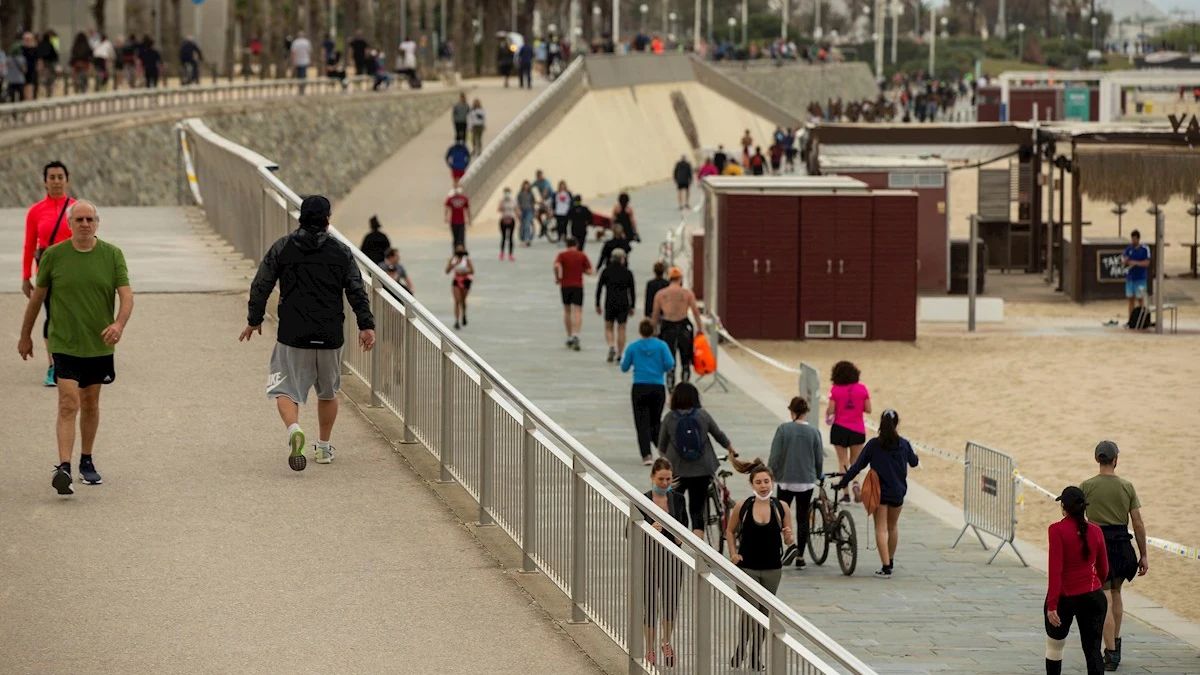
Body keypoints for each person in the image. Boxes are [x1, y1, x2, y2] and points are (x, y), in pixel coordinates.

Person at [241, 195, 375, 471]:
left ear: (300, 217)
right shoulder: (341, 252)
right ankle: (324, 448)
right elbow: (356, 291)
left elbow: (261, 284)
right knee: (328, 392)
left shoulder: (283, 248)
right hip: (330, 335)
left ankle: (294, 430)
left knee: (284, 390)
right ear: (327, 219)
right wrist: (366, 325)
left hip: (293, 333)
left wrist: (254, 319)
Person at [18, 200, 133, 496]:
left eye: (89, 219)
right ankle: (64, 467)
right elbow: (37, 299)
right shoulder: (54, 256)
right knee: (69, 402)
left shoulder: (112, 255)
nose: (84, 224)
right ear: (69, 224)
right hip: (64, 342)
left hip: (98, 344)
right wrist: (25, 335)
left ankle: (86, 459)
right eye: (79, 219)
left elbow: (127, 296)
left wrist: (118, 324)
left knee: (91, 402)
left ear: (97, 223)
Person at [1081, 441, 1149, 671]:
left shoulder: (1087, 486)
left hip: (1099, 544)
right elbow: (1138, 524)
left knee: (1106, 597)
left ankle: (1110, 653)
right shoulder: (1127, 486)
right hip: (1122, 544)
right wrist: (1144, 555)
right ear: (1115, 460)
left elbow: (1079, 521)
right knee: (1117, 593)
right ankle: (1116, 644)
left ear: (1097, 459)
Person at [724, 465, 794, 670]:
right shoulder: (743, 506)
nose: (763, 486)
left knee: (764, 613)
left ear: (772, 482)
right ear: (751, 484)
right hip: (747, 569)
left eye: (766, 481)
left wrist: (789, 537)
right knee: (749, 610)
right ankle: (742, 648)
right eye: (758, 482)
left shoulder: (781, 507)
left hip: (773, 569)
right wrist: (733, 554)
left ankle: (755, 654)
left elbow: (789, 538)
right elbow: (729, 530)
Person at [835, 409, 919, 578]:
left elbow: (857, 466)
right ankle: (891, 560)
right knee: (893, 527)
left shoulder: (874, 444)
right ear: (896, 424)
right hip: (898, 492)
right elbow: (914, 462)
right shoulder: (903, 444)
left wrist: (843, 483)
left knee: (880, 528)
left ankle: (885, 566)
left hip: (879, 492)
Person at [658, 382, 737, 538]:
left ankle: (675, 547)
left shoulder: (669, 418)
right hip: (702, 470)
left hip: (677, 470)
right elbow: (718, 434)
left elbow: (661, 445)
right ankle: (699, 554)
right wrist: (731, 450)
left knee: (676, 509)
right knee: (697, 511)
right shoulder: (702, 415)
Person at [1045, 486, 1109, 675]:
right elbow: (1104, 569)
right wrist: (1096, 586)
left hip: (1065, 596)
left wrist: (1052, 604)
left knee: (1055, 647)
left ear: (1063, 507)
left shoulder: (1056, 530)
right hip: (1092, 595)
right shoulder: (1096, 531)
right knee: (1093, 651)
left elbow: (1055, 569)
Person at [22, 161, 75, 386]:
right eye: (51, 177)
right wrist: (26, 276)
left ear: (67, 180)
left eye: (60, 177)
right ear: (45, 181)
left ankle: (84, 361)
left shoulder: (76, 208)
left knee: (78, 314)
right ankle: (54, 366)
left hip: (75, 270)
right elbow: (28, 244)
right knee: (53, 316)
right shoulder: (36, 211)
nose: (56, 181)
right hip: (48, 271)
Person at [768, 396, 824, 570]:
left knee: (779, 517)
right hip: (806, 481)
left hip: (785, 479)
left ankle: (775, 551)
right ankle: (800, 555)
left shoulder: (783, 429)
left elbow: (775, 455)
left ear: (791, 411)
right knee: (802, 518)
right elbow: (819, 458)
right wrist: (818, 474)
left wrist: (771, 473)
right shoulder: (814, 432)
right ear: (806, 412)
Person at [641, 458, 686, 667]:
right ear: (652, 477)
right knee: (649, 606)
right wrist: (649, 529)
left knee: (670, 604)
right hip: (649, 560)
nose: (665, 482)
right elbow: (628, 532)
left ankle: (666, 641)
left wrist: (680, 536)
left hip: (672, 559)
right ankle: (649, 647)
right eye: (661, 479)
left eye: (668, 479)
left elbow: (685, 526)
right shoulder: (642, 500)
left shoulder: (678, 499)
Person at [622, 319, 674, 464]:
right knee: (656, 421)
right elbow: (670, 364)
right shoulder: (662, 346)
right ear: (654, 331)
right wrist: (658, 369)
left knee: (641, 422)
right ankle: (662, 450)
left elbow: (624, 367)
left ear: (640, 331)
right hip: (657, 386)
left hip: (639, 386)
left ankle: (646, 455)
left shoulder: (633, 347)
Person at [650, 266, 703, 391]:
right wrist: (700, 329)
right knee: (686, 357)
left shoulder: (661, 294)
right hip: (683, 325)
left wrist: (653, 331)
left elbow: (655, 314)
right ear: (680, 278)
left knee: (669, 357)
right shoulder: (687, 293)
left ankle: (670, 383)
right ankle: (685, 382)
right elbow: (695, 312)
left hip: (668, 325)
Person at [826, 360, 871, 502]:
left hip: (839, 428)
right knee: (856, 461)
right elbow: (868, 409)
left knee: (843, 461)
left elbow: (831, 410)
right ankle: (856, 482)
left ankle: (845, 493)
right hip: (857, 428)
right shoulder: (862, 389)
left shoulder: (835, 389)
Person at [596, 248, 636, 363]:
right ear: (623, 259)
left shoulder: (606, 271)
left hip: (610, 301)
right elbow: (632, 291)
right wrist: (632, 306)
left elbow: (599, 288)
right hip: (623, 302)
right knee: (622, 328)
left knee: (609, 327)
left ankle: (611, 346)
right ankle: (619, 354)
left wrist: (597, 303)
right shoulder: (628, 273)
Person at [554, 236, 592, 350]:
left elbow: (556, 265)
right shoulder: (582, 255)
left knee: (567, 311)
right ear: (577, 245)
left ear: (567, 245)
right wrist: (582, 270)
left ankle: (569, 335)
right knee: (578, 311)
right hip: (578, 286)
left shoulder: (562, 255)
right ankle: (576, 334)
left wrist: (558, 277)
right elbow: (590, 271)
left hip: (565, 285)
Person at [1122, 230, 1150, 320]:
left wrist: (1136, 263)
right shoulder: (1129, 249)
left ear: (1138, 239)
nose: (1133, 241)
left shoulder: (1144, 249)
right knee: (1131, 299)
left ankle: (1143, 319)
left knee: (1140, 299)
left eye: (1135, 239)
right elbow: (1124, 259)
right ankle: (1131, 319)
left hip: (1140, 278)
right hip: (1130, 278)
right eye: (1132, 239)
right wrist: (1125, 261)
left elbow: (1147, 263)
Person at [445, 244, 474, 330]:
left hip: (465, 281)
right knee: (457, 300)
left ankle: (464, 314)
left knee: (463, 300)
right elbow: (447, 271)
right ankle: (457, 320)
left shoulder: (467, 260)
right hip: (456, 280)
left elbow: (472, 271)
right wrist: (453, 265)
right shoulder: (453, 260)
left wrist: (464, 272)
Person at [444, 186, 471, 250]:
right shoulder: (451, 199)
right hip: (454, 221)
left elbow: (467, 209)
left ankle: (461, 253)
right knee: (456, 238)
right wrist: (446, 217)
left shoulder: (464, 198)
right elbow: (447, 208)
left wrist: (469, 219)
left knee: (461, 238)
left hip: (461, 221)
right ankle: (456, 252)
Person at [497, 187, 517, 261]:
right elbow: (499, 210)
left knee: (511, 237)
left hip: (511, 219)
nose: (507, 194)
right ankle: (502, 253)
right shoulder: (502, 201)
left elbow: (516, 209)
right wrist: (502, 204)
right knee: (504, 237)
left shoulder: (513, 201)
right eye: (506, 193)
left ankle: (510, 254)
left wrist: (519, 216)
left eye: (508, 193)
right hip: (503, 220)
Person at [517, 180, 536, 247]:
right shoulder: (520, 193)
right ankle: (523, 239)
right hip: (522, 210)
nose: (526, 186)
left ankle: (526, 239)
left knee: (527, 224)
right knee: (523, 225)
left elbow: (533, 202)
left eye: (527, 185)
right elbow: (518, 203)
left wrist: (534, 211)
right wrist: (518, 211)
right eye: (525, 185)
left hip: (529, 210)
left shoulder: (530, 193)